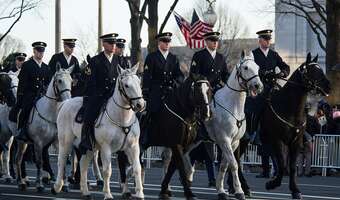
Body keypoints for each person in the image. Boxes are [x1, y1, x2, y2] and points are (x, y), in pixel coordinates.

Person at [245, 29, 290, 178]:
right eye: (265, 39)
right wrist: (263, 74)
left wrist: (282, 73)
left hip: (272, 89)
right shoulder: (254, 54)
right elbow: (250, 71)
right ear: (260, 40)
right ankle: (251, 132)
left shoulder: (273, 54)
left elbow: (285, 67)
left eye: (269, 39)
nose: (268, 41)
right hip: (258, 91)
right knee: (255, 112)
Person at [79, 33, 120, 154]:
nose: (113, 46)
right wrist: (99, 93)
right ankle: (86, 139)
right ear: (104, 44)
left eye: (114, 43)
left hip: (114, 95)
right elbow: (91, 82)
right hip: (99, 95)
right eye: (110, 43)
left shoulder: (119, 60)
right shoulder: (95, 60)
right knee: (89, 114)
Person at [141, 32, 184, 146]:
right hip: (156, 93)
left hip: (171, 92)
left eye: (168, 41)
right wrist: (146, 93)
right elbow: (147, 77)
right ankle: (143, 137)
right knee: (149, 114)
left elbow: (179, 75)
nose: (167, 44)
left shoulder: (173, 58)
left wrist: (175, 83)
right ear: (159, 42)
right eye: (164, 41)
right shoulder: (152, 57)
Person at [14, 42, 51, 142]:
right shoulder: (27, 65)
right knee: (26, 108)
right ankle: (22, 130)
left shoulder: (46, 67)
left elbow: (48, 83)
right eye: (38, 51)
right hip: (30, 94)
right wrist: (21, 96)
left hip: (42, 95)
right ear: (34, 51)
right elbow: (22, 83)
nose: (40, 53)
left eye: (42, 51)